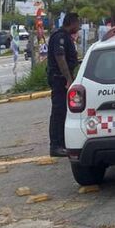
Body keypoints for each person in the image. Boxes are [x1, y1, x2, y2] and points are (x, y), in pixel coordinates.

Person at [46, 12, 81, 157]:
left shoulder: (66, 37)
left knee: (65, 112)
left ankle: (63, 142)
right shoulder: (60, 36)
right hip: (59, 79)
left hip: (63, 78)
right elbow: (60, 59)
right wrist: (68, 78)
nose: (78, 27)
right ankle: (55, 146)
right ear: (71, 23)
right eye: (77, 24)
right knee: (59, 112)